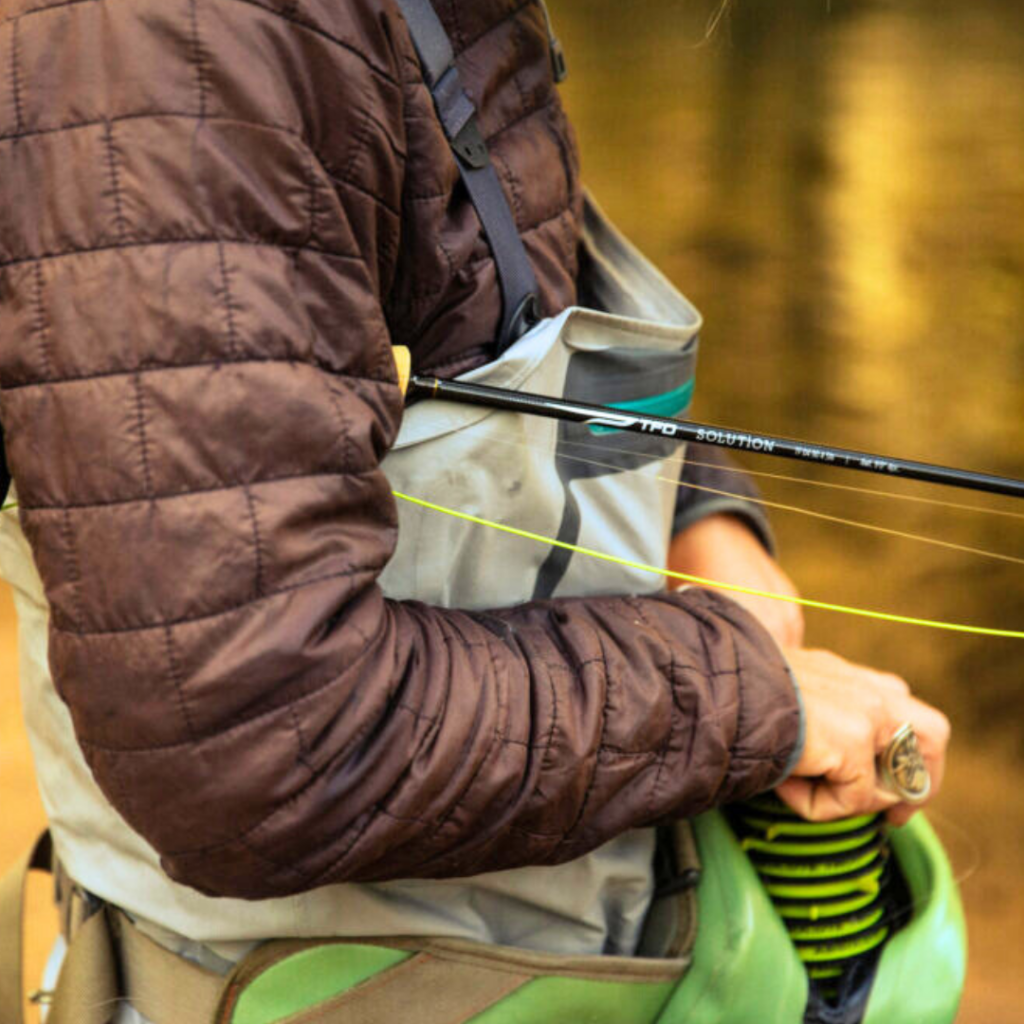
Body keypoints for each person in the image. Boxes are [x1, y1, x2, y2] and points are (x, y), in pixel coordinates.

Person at [0, 0, 949, 1019]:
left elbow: (459, 294)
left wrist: (692, 505)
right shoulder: (171, 51)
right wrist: (744, 700)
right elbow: (254, 743)